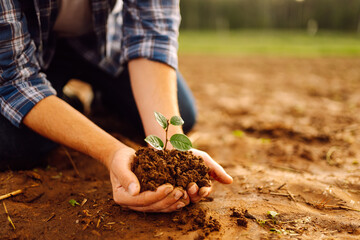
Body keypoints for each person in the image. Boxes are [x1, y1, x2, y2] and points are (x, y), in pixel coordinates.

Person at [0, 0, 233, 212]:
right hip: (28, 46)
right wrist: (111, 152)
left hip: (102, 42)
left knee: (183, 114)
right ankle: (66, 103)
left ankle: (102, 103)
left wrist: (172, 146)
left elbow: (151, 36)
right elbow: (15, 80)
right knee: (15, 144)